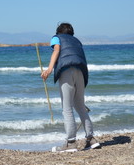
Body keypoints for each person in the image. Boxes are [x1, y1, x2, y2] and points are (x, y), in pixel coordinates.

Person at [41, 22, 100, 152]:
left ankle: (71, 143)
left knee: (67, 108)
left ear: (58, 32)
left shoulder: (57, 38)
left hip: (66, 71)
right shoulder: (77, 41)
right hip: (81, 71)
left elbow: (56, 50)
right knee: (80, 106)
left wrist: (49, 69)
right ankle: (91, 139)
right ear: (71, 33)